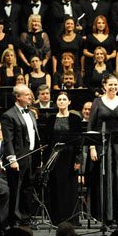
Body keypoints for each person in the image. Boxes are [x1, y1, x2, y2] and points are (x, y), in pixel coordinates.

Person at [87, 74, 118, 228]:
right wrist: (92, 147)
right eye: (111, 85)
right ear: (104, 86)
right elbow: (91, 126)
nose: (113, 87)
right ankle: (107, 217)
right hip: (103, 145)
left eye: (116, 85)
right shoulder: (97, 102)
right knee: (105, 181)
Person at [1, 84, 41, 227]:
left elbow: (35, 136)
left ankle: (25, 217)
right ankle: (14, 219)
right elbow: (8, 140)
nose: (30, 97)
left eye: (30, 94)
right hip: (18, 158)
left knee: (28, 188)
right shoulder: (8, 115)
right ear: (18, 97)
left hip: (31, 155)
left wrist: (38, 157)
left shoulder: (30, 113)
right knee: (16, 189)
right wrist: (12, 159)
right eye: (27, 95)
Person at [45, 92, 82, 225]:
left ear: (69, 102)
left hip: (70, 156)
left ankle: (71, 219)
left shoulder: (75, 119)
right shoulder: (50, 118)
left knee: (70, 187)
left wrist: (78, 159)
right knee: (56, 186)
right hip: (55, 156)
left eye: (64, 99)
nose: (61, 102)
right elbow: (47, 140)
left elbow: (79, 141)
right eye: (59, 99)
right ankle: (57, 218)